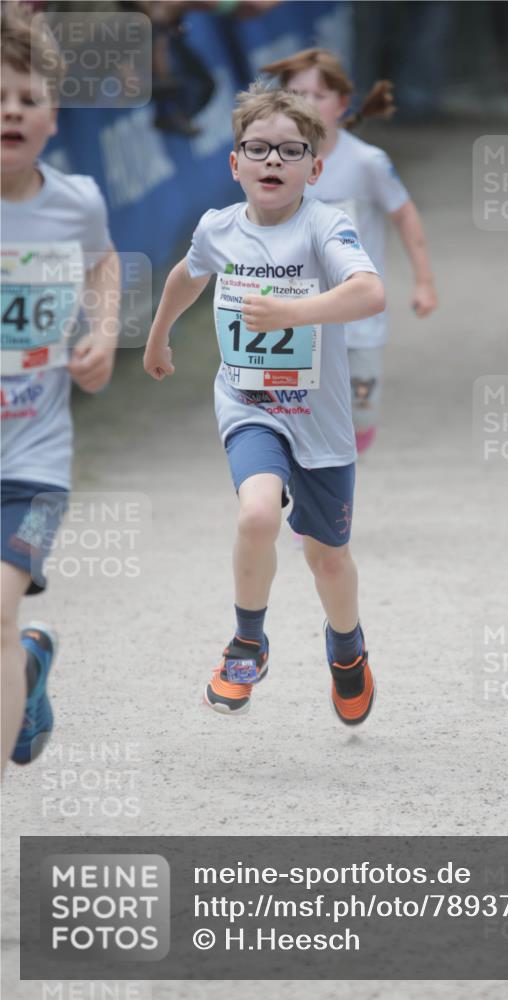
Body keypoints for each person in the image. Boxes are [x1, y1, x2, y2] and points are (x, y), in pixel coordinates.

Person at [143, 83, 385, 725]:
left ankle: (347, 651)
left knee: (326, 557)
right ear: (235, 164)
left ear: (315, 166)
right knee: (256, 514)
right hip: (249, 404)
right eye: (258, 149)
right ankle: (247, 641)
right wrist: (159, 333)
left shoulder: (326, 225)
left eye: (289, 150)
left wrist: (291, 311)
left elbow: (369, 293)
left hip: (320, 419)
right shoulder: (218, 228)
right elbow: (186, 275)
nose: (272, 161)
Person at [1, 6, 120, 775]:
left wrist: (103, 334)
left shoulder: (75, 202)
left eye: (27, 99)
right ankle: (29, 664)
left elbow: (104, 265)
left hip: (32, 459)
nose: (11, 110)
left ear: (53, 120)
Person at [261, 48, 437, 454]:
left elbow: (405, 214)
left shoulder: (366, 162)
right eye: (296, 94)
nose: (307, 104)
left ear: (342, 103)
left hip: (357, 319)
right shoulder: (270, 161)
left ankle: (342, 473)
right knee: (292, 418)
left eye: (318, 95)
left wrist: (424, 282)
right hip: (292, 316)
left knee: (358, 416)